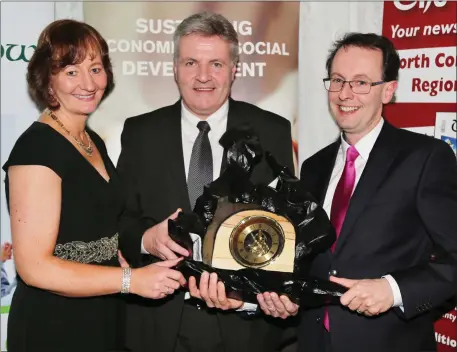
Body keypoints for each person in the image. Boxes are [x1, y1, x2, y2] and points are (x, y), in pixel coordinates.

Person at [257, 32, 457, 352]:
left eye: (361, 82)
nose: (345, 93)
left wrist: (394, 291)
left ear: (388, 90)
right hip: (313, 342)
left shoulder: (425, 158)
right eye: (338, 80)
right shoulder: (313, 166)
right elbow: (308, 257)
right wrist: (286, 295)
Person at [2, 19, 185, 352]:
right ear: (48, 78)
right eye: (71, 71)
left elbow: (94, 226)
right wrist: (131, 281)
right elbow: (34, 267)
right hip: (54, 325)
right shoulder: (36, 149)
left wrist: (146, 240)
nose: (88, 83)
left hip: (103, 313)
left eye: (96, 68)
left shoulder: (91, 141)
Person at [117, 11, 294, 352]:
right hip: (158, 322)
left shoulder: (272, 131)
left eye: (216, 64)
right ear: (174, 68)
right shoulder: (140, 132)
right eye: (190, 63)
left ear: (235, 69)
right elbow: (119, 219)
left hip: (243, 322)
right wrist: (144, 239)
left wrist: (249, 296)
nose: (203, 77)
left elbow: (285, 228)